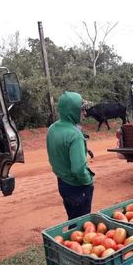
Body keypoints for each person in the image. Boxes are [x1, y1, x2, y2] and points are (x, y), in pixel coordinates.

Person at [47, 91, 95, 220]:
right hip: (77, 186)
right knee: (82, 224)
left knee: (73, 218)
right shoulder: (75, 135)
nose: (85, 113)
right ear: (72, 110)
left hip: (63, 183)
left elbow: (53, 157)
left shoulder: (52, 129)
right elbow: (78, 169)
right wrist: (88, 181)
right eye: (82, 110)